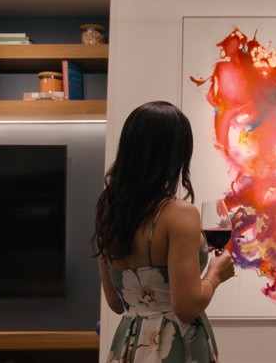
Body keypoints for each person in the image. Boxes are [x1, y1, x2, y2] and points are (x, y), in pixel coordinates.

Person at [92, 101, 235, 363]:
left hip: (130, 344)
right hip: (176, 345)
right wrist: (215, 273)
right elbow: (186, 307)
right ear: (175, 154)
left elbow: (116, 303)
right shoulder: (179, 213)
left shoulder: (108, 212)